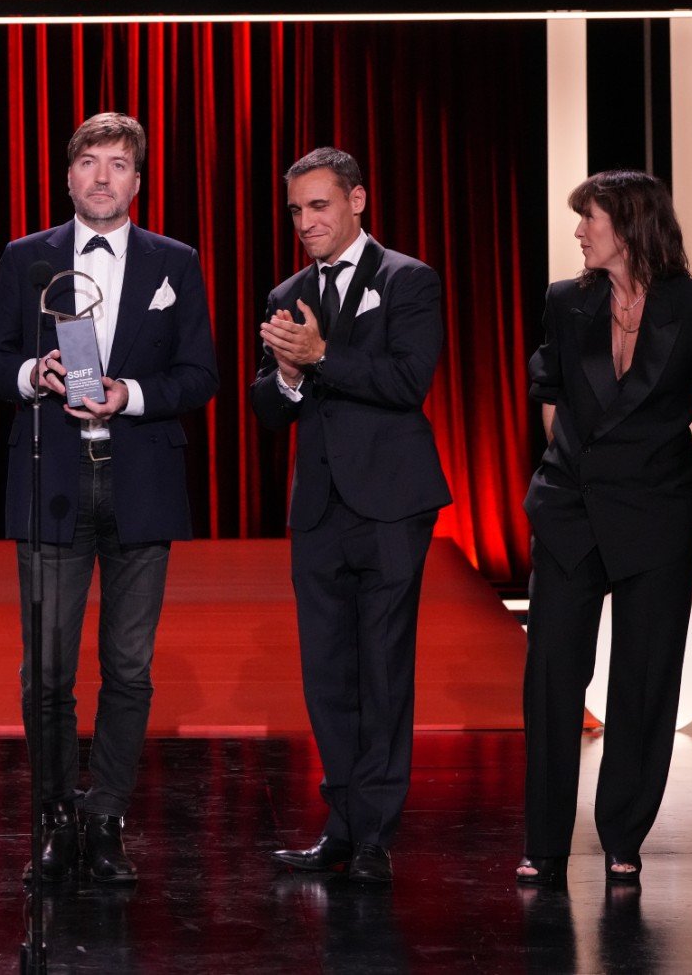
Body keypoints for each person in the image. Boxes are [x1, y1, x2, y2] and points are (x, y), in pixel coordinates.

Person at [0, 112, 218, 884]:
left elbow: (200, 375)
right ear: (68, 176)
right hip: (51, 480)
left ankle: (106, 818)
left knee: (129, 666)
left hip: (140, 480)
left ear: (138, 181)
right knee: (45, 669)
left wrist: (131, 393)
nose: (103, 177)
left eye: (118, 164)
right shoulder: (26, 258)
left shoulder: (174, 260)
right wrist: (30, 375)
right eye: (90, 163)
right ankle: (53, 816)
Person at [514, 171, 692, 888]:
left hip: (656, 515)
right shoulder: (565, 301)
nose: (580, 232)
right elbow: (548, 389)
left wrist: (691, 474)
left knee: (645, 681)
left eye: (591, 219)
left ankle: (623, 836)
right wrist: (569, 463)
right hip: (570, 511)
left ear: (632, 226)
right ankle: (545, 842)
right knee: (552, 678)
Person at [252, 147, 450, 884]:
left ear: (357, 200)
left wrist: (322, 355)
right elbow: (267, 406)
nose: (306, 223)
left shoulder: (408, 278)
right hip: (320, 508)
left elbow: (408, 380)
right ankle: (342, 821)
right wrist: (288, 375)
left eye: (320, 206)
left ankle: (374, 832)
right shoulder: (287, 289)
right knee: (327, 673)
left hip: (393, 505)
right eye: (297, 210)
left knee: (383, 669)